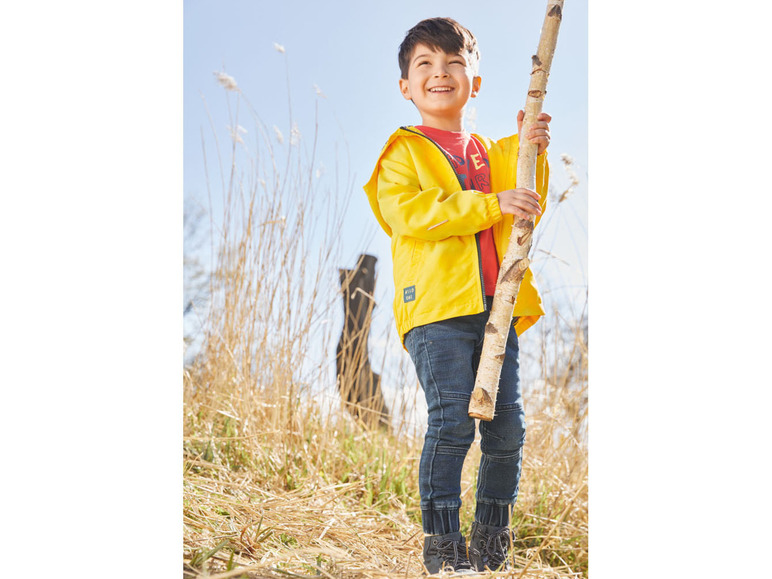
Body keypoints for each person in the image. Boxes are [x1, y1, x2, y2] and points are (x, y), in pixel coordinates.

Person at [363, 17, 552, 574]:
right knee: (451, 423)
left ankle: (491, 547)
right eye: (425, 64)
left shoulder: (490, 152)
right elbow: (414, 215)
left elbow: (523, 200)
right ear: (406, 86)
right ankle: (444, 551)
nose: (439, 74)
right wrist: (494, 203)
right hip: (439, 310)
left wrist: (531, 149)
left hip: (498, 310)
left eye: (453, 64)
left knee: (507, 428)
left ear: (475, 80)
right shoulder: (403, 153)